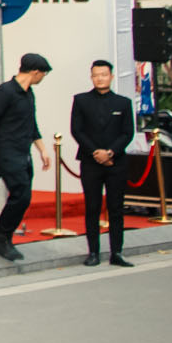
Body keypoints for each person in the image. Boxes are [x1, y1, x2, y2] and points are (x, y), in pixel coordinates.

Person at [0, 52, 53, 262]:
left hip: (23, 152)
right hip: (7, 151)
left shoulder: (29, 94)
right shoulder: (5, 91)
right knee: (22, 195)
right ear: (35, 72)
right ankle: (2, 237)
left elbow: (32, 124)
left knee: (23, 196)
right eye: (43, 74)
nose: (43, 78)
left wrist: (42, 149)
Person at [70, 59, 136, 267]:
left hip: (116, 162)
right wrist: (95, 152)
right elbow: (77, 130)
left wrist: (110, 152)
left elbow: (127, 133)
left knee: (116, 207)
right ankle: (93, 252)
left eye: (104, 75)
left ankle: (116, 252)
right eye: (96, 75)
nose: (100, 78)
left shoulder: (123, 103)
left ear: (111, 76)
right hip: (90, 161)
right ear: (91, 77)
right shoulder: (81, 100)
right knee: (92, 207)